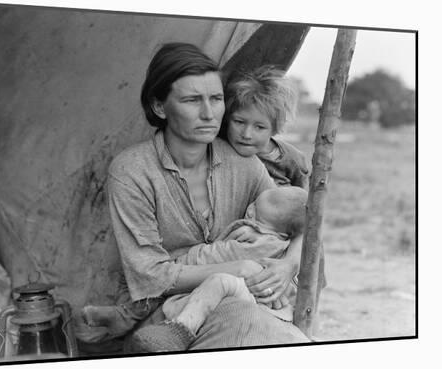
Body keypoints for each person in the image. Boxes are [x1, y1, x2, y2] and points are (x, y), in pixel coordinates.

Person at [84, 42, 309, 352]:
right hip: (170, 312)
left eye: (216, 99)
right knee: (253, 328)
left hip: (240, 299)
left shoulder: (243, 163)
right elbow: (151, 275)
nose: (208, 113)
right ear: (160, 107)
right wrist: (238, 268)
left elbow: (296, 224)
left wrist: (287, 267)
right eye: (192, 100)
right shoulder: (132, 171)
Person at [129, 186, 308, 352]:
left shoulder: (253, 242)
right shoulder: (287, 246)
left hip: (255, 300)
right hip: (279, 310)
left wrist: (184, 259)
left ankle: (182, 328)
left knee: (220, 282)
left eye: (255, 215)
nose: (249, 209)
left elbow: (215, 256)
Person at [220, 65, 327, 307]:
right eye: (239, 121)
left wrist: (289, 264)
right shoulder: (219, 149)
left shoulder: (292, 162)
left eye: (259, 127)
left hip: (285, 244)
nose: (246, 133)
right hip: (242, 242)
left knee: (308, 273)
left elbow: (308, 221)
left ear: (275, 128)